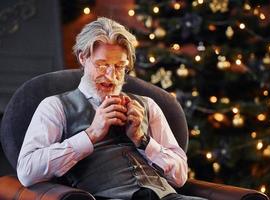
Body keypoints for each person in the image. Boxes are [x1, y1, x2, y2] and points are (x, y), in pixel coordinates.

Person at [17, 17, 206, 200]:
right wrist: (91, 134)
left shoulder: (148, 105)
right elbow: (27, 171)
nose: (111, 76)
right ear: (83, 58)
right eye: (102, 65)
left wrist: (143, 140)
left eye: (119, 67)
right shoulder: (55, 107)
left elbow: (180, 177)